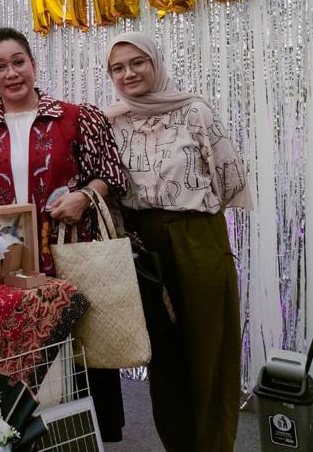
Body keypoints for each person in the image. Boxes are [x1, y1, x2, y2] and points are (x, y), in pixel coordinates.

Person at [0, 26, 127, 442]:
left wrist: (84, 196)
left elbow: (110, 173)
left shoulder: (78, 117)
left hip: (71, 255)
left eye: (18, 62)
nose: (11, 73)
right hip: (2, 265)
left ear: (33, 64)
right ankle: (16, 436)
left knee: (81, 355)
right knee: (15, 359)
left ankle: (87, 439)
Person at [105, 32, 250, 452]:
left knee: (209, 347)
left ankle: (214, 444)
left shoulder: (193, 111)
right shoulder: (111, 122)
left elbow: (229, 178)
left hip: (197, 238)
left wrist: (186, 210)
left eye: (137, 62)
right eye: (118, 68)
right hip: (145, 245)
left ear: (155, 62)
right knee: (163, 355)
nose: (129, 73)